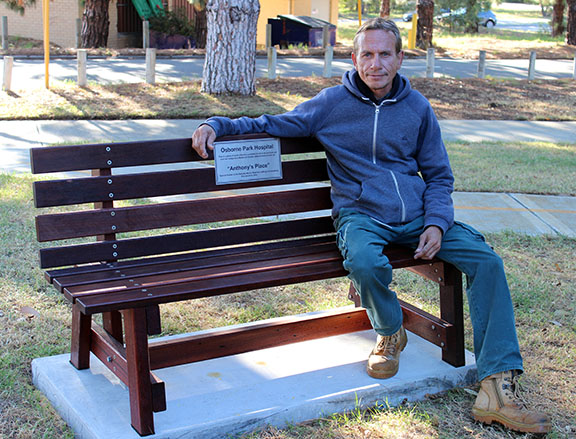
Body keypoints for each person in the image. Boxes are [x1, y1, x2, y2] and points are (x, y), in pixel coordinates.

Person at [191, 18, 550, 434]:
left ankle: (496, 386)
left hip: (417, 217)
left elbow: (438, 175)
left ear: (399, 58)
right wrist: (217, 123)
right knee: (364, 262)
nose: (375, 63)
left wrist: (435, 223)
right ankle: (391, 331)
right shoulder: (330, 105)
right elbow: (272, 123)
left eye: (384, 54)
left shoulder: (417, 109)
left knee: (487, 262)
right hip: (362, 216)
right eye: (367, 53)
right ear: (354, 56)